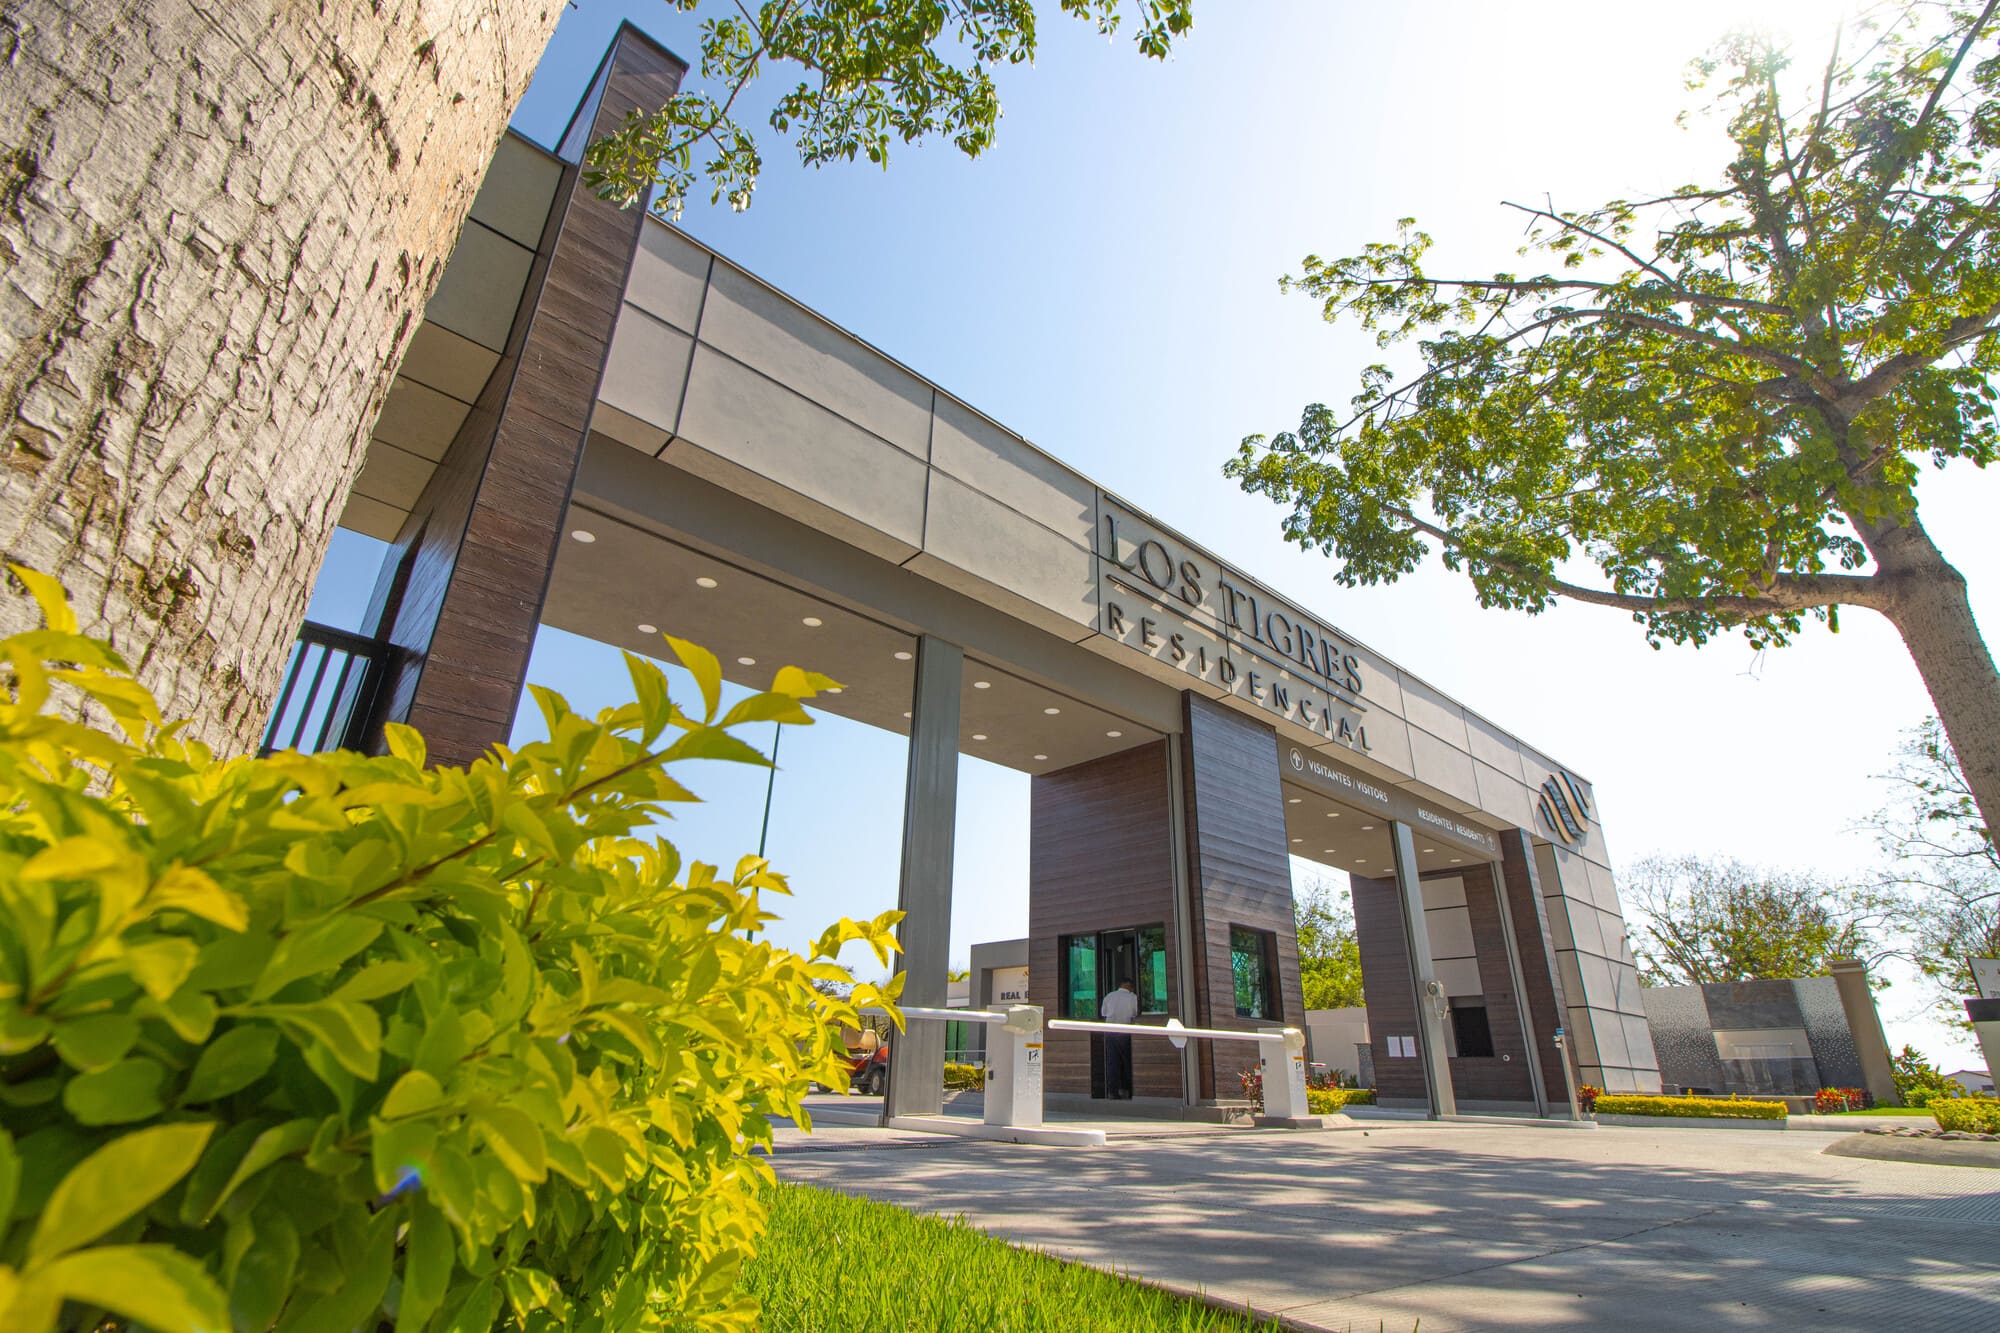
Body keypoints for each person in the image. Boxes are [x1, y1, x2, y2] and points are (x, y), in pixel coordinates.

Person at [1099, 978, 1139, 1100]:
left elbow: (1103, 1013)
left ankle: (1112, 1092)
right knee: (1128, 1061)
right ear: (1129, 986)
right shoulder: (1132, 997)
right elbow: (1135, 1013)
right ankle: (1130, 1091)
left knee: (1112, 1062)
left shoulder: (1109, 996)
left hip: (1110, 1032)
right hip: (1125, 1031)